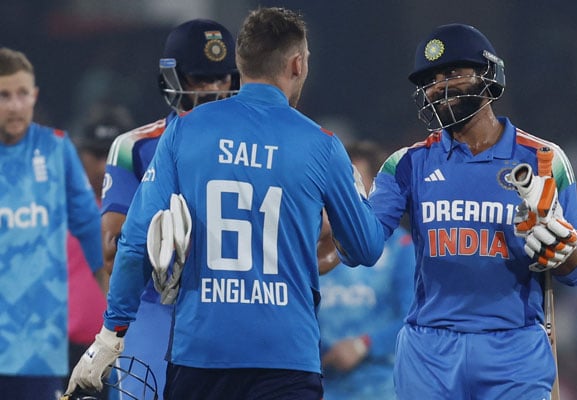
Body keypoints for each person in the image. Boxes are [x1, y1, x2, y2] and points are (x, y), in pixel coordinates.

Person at [67, 7, 385, 400]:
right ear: (298, 63)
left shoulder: (184, 130)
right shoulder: (321, 144)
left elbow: (133, 244)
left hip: (202, 352)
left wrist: (112, 333)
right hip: (286, 356)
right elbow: (367, 248)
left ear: (240, 62)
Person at [367, 24, 577, 399]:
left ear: (488, 75)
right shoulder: (406, 163)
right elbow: (362, 243)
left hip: (514, 349)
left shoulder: (544, 159)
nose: (440, 86)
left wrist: (564, 253)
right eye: (431, 79)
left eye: (453, 73)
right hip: (429, 352)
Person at [99, 19, 239, 399]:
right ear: (173, 78)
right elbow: (112, 248)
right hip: (155, 307)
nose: (213, 89)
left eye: (222, 78)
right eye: (199, 78)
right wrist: (166, 244)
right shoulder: (135, 146)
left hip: (231, 305)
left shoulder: (257, 150)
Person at [0, 47, 104, 399]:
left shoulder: (56, 150)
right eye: (4, 95)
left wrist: (114, 310)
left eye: (22, 94)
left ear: (35, 96)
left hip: (36, 344)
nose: (15, 105)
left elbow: (90, 226)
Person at [318, 140, 415, 400]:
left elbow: (412, 317)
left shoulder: (402, 249)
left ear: (375, 188)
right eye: (343, 185)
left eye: (358, 184)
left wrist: (364, 346)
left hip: (381, 388)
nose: (348, 194)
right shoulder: (313, 248)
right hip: (324, 388)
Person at [65, 104, 134, 400]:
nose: (105, 165)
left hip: (125, 351)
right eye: (96, 155)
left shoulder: (144, 211)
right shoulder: (55, 208)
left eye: (112, 155)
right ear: (80, 155)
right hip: (64, 351)